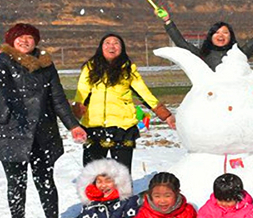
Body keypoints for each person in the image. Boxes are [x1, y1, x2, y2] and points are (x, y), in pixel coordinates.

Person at [0, 23, 87, 218]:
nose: (25, 41)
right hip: (13, 131)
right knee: (16, 184)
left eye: (29, 37)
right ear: (11, 41)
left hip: (42, 132)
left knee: (45, 182)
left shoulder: (46, 65)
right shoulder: (4, 60)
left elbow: (57, 99)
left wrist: (73, 126)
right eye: (20, 38)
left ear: (36, 41)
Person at [71, 33, 176, 171]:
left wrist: (165, 115)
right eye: (107, 43)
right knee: (92, 174)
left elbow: (143, 92)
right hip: (94, 126)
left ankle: (123, 193)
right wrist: (73, 123)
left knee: (122, 175)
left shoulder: (128, 69)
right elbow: (81, 93)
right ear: (101, 48)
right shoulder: (90, 68)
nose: (111, 46)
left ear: (122, 48)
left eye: (116, 43)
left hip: (122, 127)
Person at [153, 5, 253, 70]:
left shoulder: (239, 54)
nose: (221, 35)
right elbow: (180, 42)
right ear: (211, 36)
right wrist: (167, 21)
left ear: (231, 36)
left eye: (225, 33)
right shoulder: (202, 55)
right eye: (217, 33)